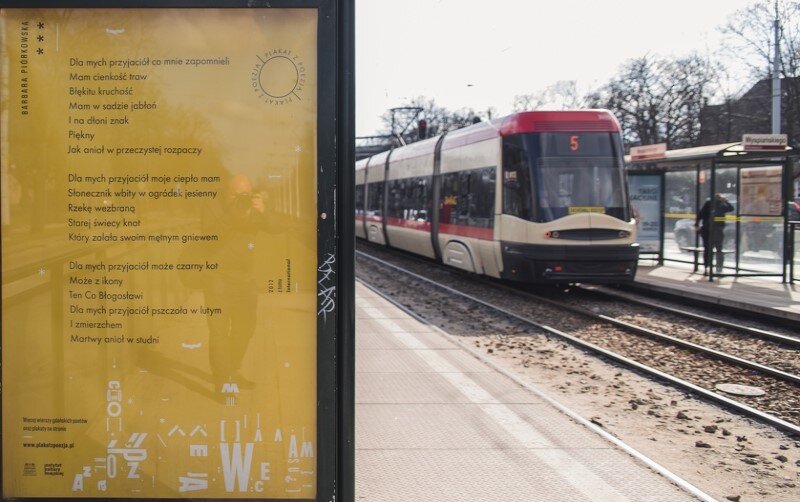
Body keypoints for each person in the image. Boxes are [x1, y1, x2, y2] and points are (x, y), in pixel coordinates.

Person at [695, 193, 734, 274]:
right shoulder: (722, 204)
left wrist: (697, 225)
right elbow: (731, 208)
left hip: (707, 229)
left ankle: (706, 268)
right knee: (719, 249)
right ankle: (719, 268)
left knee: (707, 249)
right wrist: (725, 201)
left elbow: (700, 214)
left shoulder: (708, 203)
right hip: (718, 229)